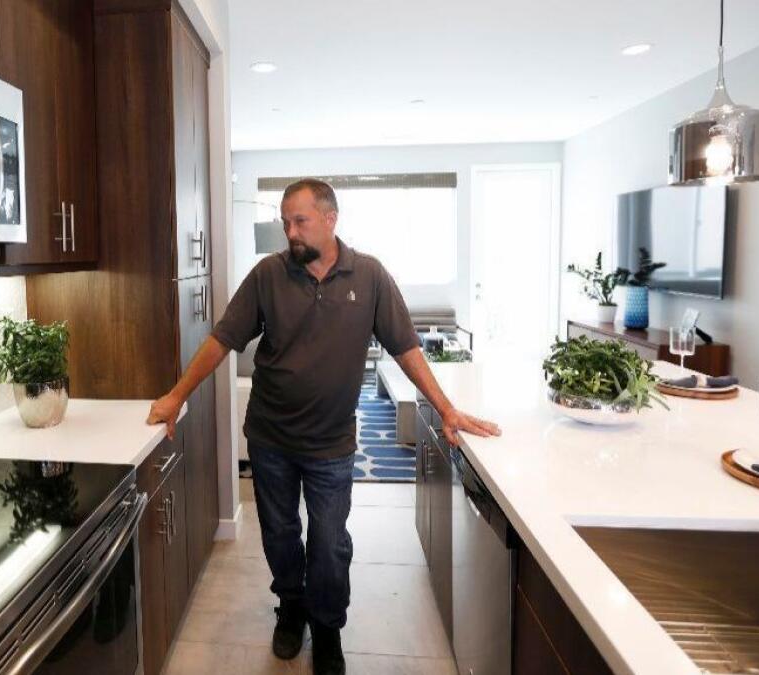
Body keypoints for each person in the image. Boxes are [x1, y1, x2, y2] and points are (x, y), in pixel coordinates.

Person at [147, 178, 500, 675]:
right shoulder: (268, 274)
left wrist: (445, 407)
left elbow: (405, 349)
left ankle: (328, 627)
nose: (289, 231)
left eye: (299, 221)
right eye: (285, 222)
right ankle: (291, 608)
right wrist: (177, 394)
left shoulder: (370, 275)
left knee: (330, 543)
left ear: (331, 219)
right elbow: (223, 339)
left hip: (331, 444)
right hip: (270, 438)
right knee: (280, 533)